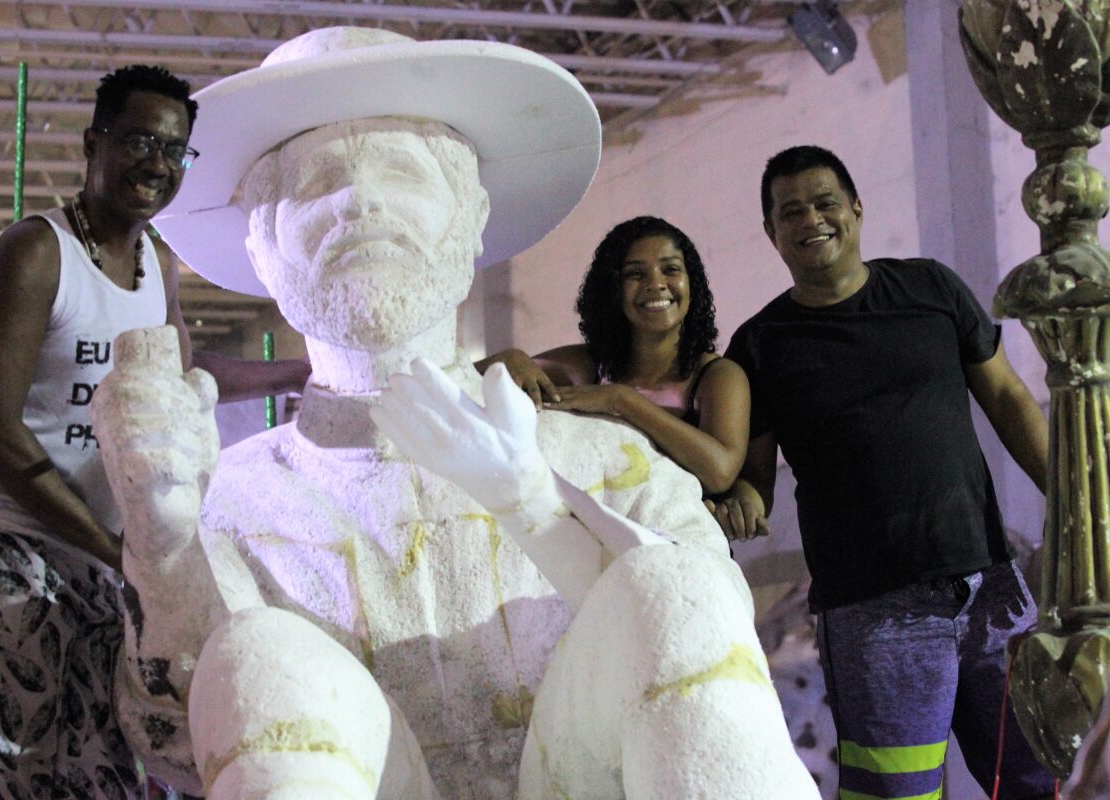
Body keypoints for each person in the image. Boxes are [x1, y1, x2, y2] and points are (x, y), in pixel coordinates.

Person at [90, 27, 819, 800]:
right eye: (317, 181)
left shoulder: (605, 462)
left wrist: (536, 507)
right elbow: (174, 745)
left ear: (472, 218)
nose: (360, 200)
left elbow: (709, 654)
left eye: (401, 172)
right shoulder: (224, 504)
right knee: (260, 657)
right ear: (261, 246)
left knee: (668, 584)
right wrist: (165, 556)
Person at [0, 65, 308, 800]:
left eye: (173, 150)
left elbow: (183, 372)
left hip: (92, 549)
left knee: (105, 766)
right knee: (13, 762)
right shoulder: (37, 252)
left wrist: (296, 373)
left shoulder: (157, 264)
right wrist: (113, 550)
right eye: (138, 141)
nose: (156, 164)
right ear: (93, 144)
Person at [716, 144, 1055, 799]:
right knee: (899, 795)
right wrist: (734, 504)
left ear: (856, 209)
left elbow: (1011, 397)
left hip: (992, 590)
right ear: (771, 232)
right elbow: (756, 480)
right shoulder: (760, 346)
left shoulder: (931, 290)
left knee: (1033, 782)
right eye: (791, 212)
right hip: (873, 616)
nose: (811, 219)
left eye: (825, 202)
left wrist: (1074, 504)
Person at [479, 216, 749, 499]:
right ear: (613, 291)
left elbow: (720, 473)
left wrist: (620, 400)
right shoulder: (588, 366)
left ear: (692, 284)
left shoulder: (719, 376)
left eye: (670, 269)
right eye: (635, 274)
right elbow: (464, 377)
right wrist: (509, 358)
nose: (655, 283)